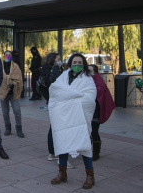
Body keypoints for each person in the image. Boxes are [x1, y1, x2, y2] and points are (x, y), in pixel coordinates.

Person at [48, 53, 96, 189]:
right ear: (70, 63)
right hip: (64, 118)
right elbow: (55, 91)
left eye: (79, 62)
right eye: (74, 62)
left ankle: (90, 175)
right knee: (63, 143)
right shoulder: (64, 76)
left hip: (80, 118)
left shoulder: (87, 79)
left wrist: (68, 100)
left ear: (84, 64)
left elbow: (89, 99)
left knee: (84, 145)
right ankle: (62, 172)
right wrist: (72, 98)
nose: (76, 65)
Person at [39, 53, 66, 164]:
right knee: (55, 127)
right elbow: (53, 81)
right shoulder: (48, 69)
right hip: (55, 101)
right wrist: (56, 68)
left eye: (60, 60)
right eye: (58, 59)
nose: (59, 61)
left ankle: (54, 152)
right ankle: (54, 153)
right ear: (52, 60)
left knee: (55, 126)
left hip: (58, 101)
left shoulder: (56, 69)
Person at [88, 64, 115, 161]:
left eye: (90, 71)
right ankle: (87, 150)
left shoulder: (98, 82)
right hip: (88, 111)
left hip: (95, 112)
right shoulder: (87, 81)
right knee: (87, 132)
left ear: (95, 72)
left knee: (94, 132)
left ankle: (96, 153)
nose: (89, 73)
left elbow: (98, 96)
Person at [0, 50, 24, 138]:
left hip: (13, 92)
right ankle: (7, 128)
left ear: (11, 57)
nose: (7, 56)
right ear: (3, 56)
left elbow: (19, 78)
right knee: (5, 112)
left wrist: (13, 82)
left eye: (9, 55)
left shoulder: (15, 66)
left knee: (17, 111)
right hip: (3, 93)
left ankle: (19, 129)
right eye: (6, 55)